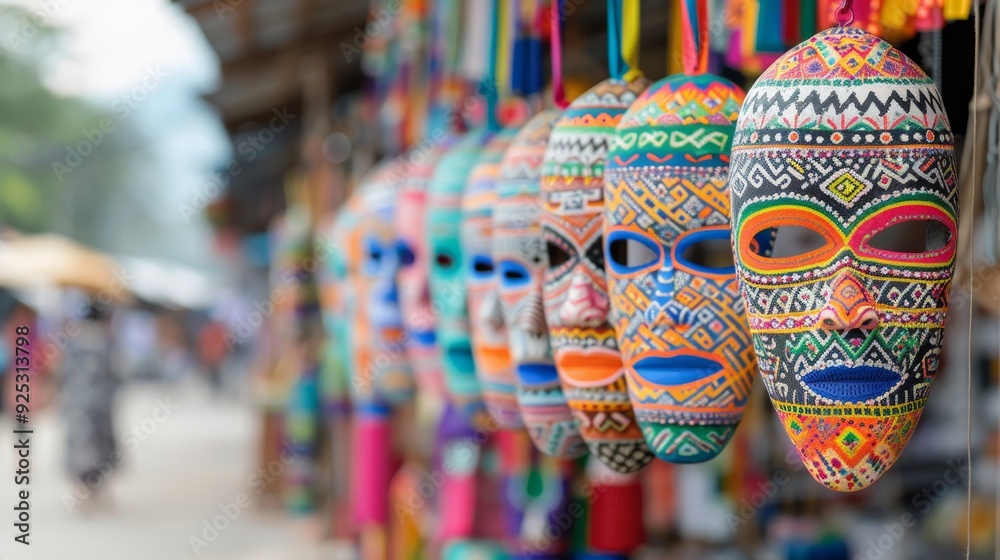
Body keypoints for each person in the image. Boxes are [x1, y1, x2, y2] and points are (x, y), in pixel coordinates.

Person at [61, 297, 121, 512]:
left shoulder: (74, 343)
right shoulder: (106, 343)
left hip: (78, 405)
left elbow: (64, 374)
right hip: (100, 405)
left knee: (80, 448)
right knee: (101, 449)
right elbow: (116, 375)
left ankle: (81, 492)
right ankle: (98, 492)